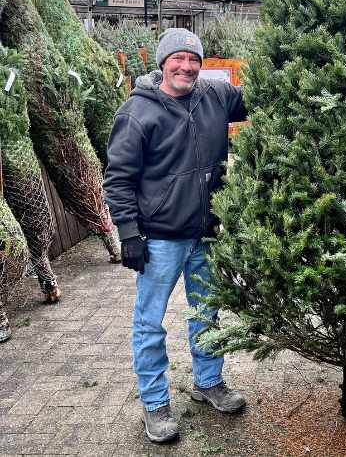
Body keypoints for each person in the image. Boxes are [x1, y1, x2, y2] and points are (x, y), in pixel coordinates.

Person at [104, 27, 247, 443]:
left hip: (207, 233)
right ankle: (155, 404)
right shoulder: (137, 112)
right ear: (163, 63)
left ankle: (208, 382)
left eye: (193, 59)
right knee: (150, 323)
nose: (186, 66)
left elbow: (269, 95)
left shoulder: (215, 97)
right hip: (161, 238)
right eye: (178, 59)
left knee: (207, 314)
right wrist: (129, 232)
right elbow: (118, 178)